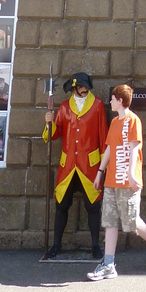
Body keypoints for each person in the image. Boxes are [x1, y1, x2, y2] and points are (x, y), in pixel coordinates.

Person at [88, 84, 146, 280]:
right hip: (111, 180)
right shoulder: (114, 123)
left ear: (120, 101)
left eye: (112, 99)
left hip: (127, 181)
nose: (110, 102)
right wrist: (99, 172)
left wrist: (131, 174)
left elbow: (133, 149)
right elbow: (109, 149)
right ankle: (108, 264)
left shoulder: (133, 121)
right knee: (110, 221)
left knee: (131, 222)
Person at [43, 71, 108, 260]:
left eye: (86, 86)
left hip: (90, 165)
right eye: (81, 86)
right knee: (61, 205)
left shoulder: (97, 106)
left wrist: (103, 167)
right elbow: (54, 134)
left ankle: (96, 246)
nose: (85, 89)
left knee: (93, 207)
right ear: (74, 88)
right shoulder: (64, 108)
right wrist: (49, 123)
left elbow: (103, 136)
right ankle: (56, 245)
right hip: (69, 165)